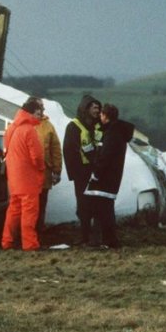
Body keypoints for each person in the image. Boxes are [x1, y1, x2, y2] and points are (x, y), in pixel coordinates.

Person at [85, 104, 134, 249]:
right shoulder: (117, 132)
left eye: (101, 115)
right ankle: (108, 240)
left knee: (104, 210)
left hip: (105, 179)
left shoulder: (112, 134)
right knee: (106, 209)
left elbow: (105, 157)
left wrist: (96, 173)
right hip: (112, 178)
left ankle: (109, 240)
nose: (99, 117)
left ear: (106, 116)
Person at [1, 100, 45, 251]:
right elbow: (37, 156)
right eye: (38, 113)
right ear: (31, 113)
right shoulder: (29, 130)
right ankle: (30, 244)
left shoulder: (11, 128)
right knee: (30, 211)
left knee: (14, 210)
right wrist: (41, 168)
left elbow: (5, 150)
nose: (40, 117)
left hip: (13, 177)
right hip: (28, 178)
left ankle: (7, 241)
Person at [63, 95, 102, 246]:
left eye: (98, 108)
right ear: (85, 109)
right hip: (82, 172)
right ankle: (84, 235)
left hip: (99, 171)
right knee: (83, 204)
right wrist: (74, 174)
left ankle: (98, 237)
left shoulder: (100, 126)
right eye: (94, 107)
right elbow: (68, 150)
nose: (97, 110)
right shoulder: (74, 126)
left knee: (99, 204)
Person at [30, 97, 62, 235]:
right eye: (39, 106)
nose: (42, 109)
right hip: (28, 172)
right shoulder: (22, 124)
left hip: (45, 172)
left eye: (42, 106)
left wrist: (57, 170)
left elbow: (55, 149)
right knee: (29, 203)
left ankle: (39, 229)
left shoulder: (48, 126)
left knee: (42, 201)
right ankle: (27, 230)